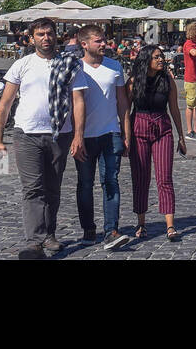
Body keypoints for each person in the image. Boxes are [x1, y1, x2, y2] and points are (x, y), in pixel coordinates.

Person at [0, 18, 90, 259]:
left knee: (53, 188)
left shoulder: (69, 64)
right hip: (27, 134)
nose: (46, 38)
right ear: (31, 38)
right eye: (40, 34)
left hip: (60, 134)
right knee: (33, 188)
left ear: (56, 36)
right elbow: (5, 105)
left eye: (49, 33)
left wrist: (79, 135)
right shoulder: (22, 65)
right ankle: (34, 241)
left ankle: (49, 233)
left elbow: (78, 101)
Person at [74, 26, 131, 251]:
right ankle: (88, 229)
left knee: (111, 181)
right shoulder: (76, 67)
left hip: (110, 133)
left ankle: (111, 230)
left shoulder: (114, 66)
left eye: (104, 40)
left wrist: (126, 132)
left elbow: (123, 103)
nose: (103, 44)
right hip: (85, 135)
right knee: (85, 184)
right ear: (84, 44)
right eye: (98, 41)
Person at [125, 45, 185, 240]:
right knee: (140, 178)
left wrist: (181, 136)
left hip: (162, 128)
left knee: (165, 178)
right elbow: (126, 111)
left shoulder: (167, 80)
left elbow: (175, 109)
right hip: (139, 129)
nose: (161, 60)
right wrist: (125, 136)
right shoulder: (134, 82)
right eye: (157, 57)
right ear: (146, 60)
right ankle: (141, 224)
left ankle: (170, 225)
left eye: (162, 56)